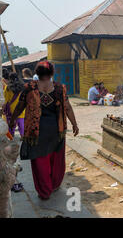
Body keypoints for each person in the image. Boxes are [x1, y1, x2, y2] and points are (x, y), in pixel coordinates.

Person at [9, 61, 79, 200]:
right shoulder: (60, 88)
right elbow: (68, 108)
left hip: (36, 132)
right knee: (56, 159)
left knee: (40, 161)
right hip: (56, 131)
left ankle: (44, 191)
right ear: (52, 72)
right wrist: (74, 124)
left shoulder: (29, 88)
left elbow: (20, 107)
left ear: (37, 73)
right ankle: (54, 185)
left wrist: (12, 120)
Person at [2, 72, 25, 192]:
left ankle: (10, 138)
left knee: (11, 129)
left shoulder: (8, 88)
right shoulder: (23, 87)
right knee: (22, 128)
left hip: (11, 112)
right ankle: (24, 138)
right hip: (21, 111)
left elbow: (5, 100)